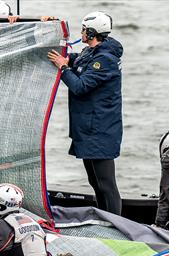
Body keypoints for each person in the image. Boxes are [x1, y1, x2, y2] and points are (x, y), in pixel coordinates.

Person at [47, 11, 123, 216]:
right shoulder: (92, 52)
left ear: (92, 32)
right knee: (94, 181)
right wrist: (64, 58)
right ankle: (104, 218)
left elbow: (80, 86)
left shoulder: (104, 59)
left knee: (106, 184)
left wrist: (63, 69)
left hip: (100, 130)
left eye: (83, 29)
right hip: (89, 129)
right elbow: (76, 60)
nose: (80, 33)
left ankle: (116, 223)